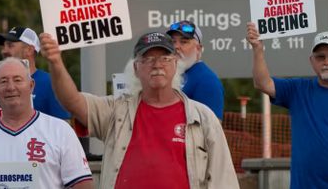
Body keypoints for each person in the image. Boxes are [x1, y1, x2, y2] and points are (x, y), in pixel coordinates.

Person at [40, 31, 238, 188]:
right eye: (148, 59)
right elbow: (72, 101)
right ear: (136, 68)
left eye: (165, 58)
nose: (157, 65)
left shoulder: (202, 117)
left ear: (175, 65)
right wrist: (56, 62)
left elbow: (224, 179)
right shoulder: (116, 111)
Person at [247, 24, 328, 188]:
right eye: (320, 57)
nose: (326, 62)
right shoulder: (298, 90)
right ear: (311, 60)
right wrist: (257, 49)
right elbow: (262, 83)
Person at [0, 58, 93, 188]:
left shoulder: (60, 130)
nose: (11, 87)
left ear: (31, 85)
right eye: (3, 81)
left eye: (17, 80)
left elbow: (83, 185)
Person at [0, 25, 69, 119]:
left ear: (29, 50)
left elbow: (63, 124)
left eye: (10, 45)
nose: (3, 51)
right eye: (3, 46)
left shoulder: (51, 83)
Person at [167, 20, 225, 118]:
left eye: (184, 42)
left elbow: (212, 125)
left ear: (198, 49)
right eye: (172, 42)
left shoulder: (207, 81)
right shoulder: (172, 74)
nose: (176, 46)